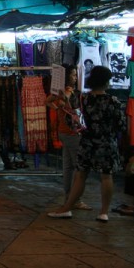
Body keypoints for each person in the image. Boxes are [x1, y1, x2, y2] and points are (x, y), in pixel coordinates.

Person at [48, 66, 127, 222]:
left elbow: (72, 122)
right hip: (106, 143)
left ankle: (67, 208)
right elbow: (121, 126)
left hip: (87, 142)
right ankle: (103, 212)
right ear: (106, 82)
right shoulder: (114, 101)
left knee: (80, 175)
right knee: (106, 176)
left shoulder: (83, 99)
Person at [46, 64, 91, 211]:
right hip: (72, 133)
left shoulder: (63, 92)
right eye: (72, 74)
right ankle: (75, 200)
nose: (75, 77)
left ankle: (68, 197)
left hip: (63, 132)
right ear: (66, 77)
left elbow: (47, 101)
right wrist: (62, 105)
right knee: (77, 167)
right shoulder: (67, 92)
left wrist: (58, 108)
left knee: (68, 167)